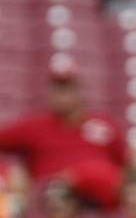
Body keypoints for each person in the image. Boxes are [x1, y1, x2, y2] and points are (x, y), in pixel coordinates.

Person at [0, 69, 127, 208]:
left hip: (100, 203)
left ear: (80, 91)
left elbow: (125, 167)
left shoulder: (104, 124)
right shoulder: (35, 126)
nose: (63, 96)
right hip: (50, 203)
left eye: (68, 88)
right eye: (58, 89)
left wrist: (77, 176)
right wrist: (8, 171)